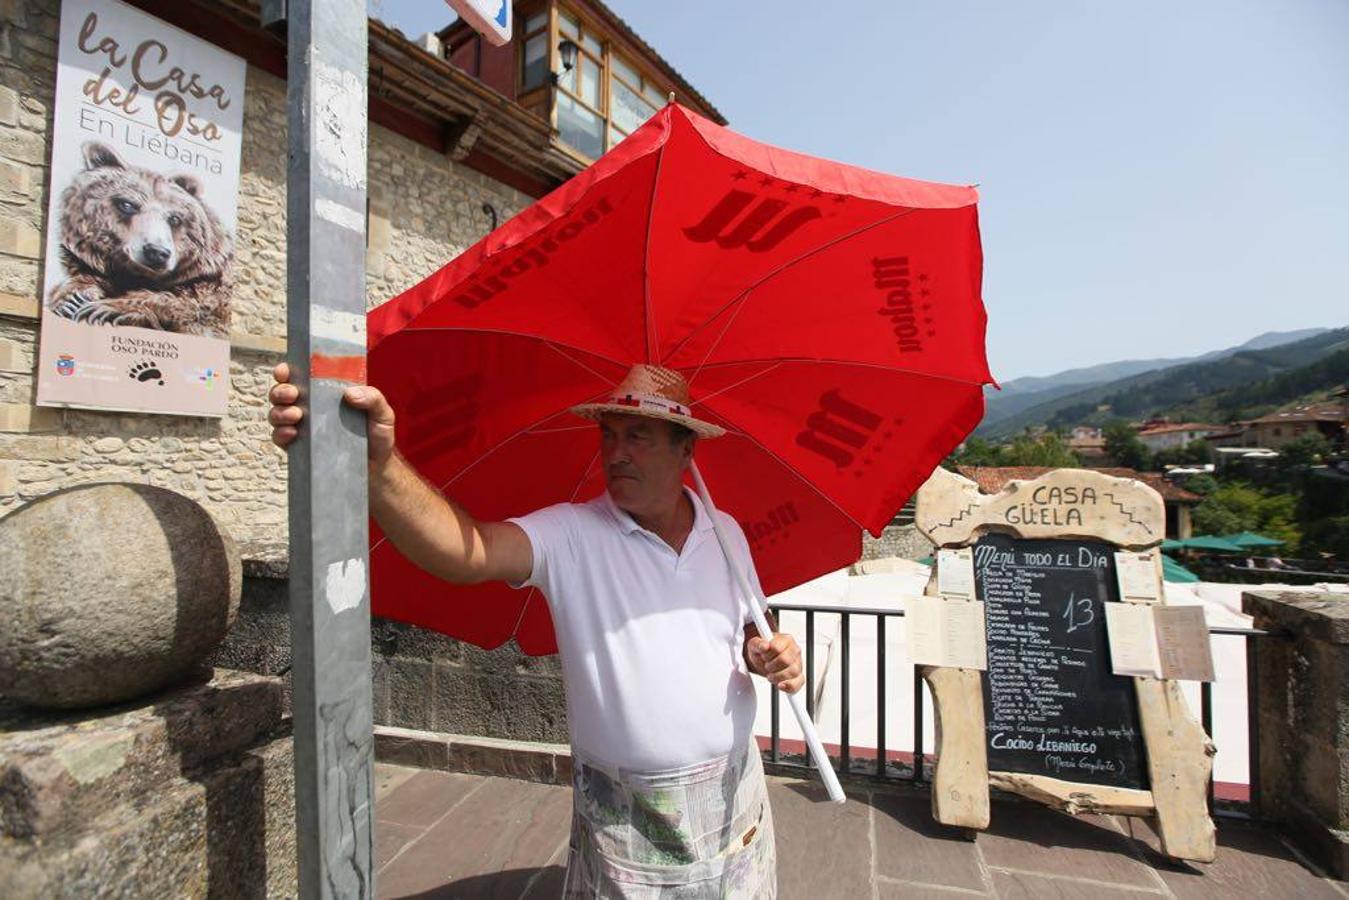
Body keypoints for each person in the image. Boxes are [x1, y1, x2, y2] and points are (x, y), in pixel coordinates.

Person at [269, 361, 803, 899]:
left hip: (736, 792)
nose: (616, 453)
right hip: (625, 813)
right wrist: (379, 465)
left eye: (638, 437)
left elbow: (748, 627)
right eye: (609, 435)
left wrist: (767, 651)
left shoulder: (726, 531)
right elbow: (467, 552)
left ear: (685, 451)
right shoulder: (572, 534)